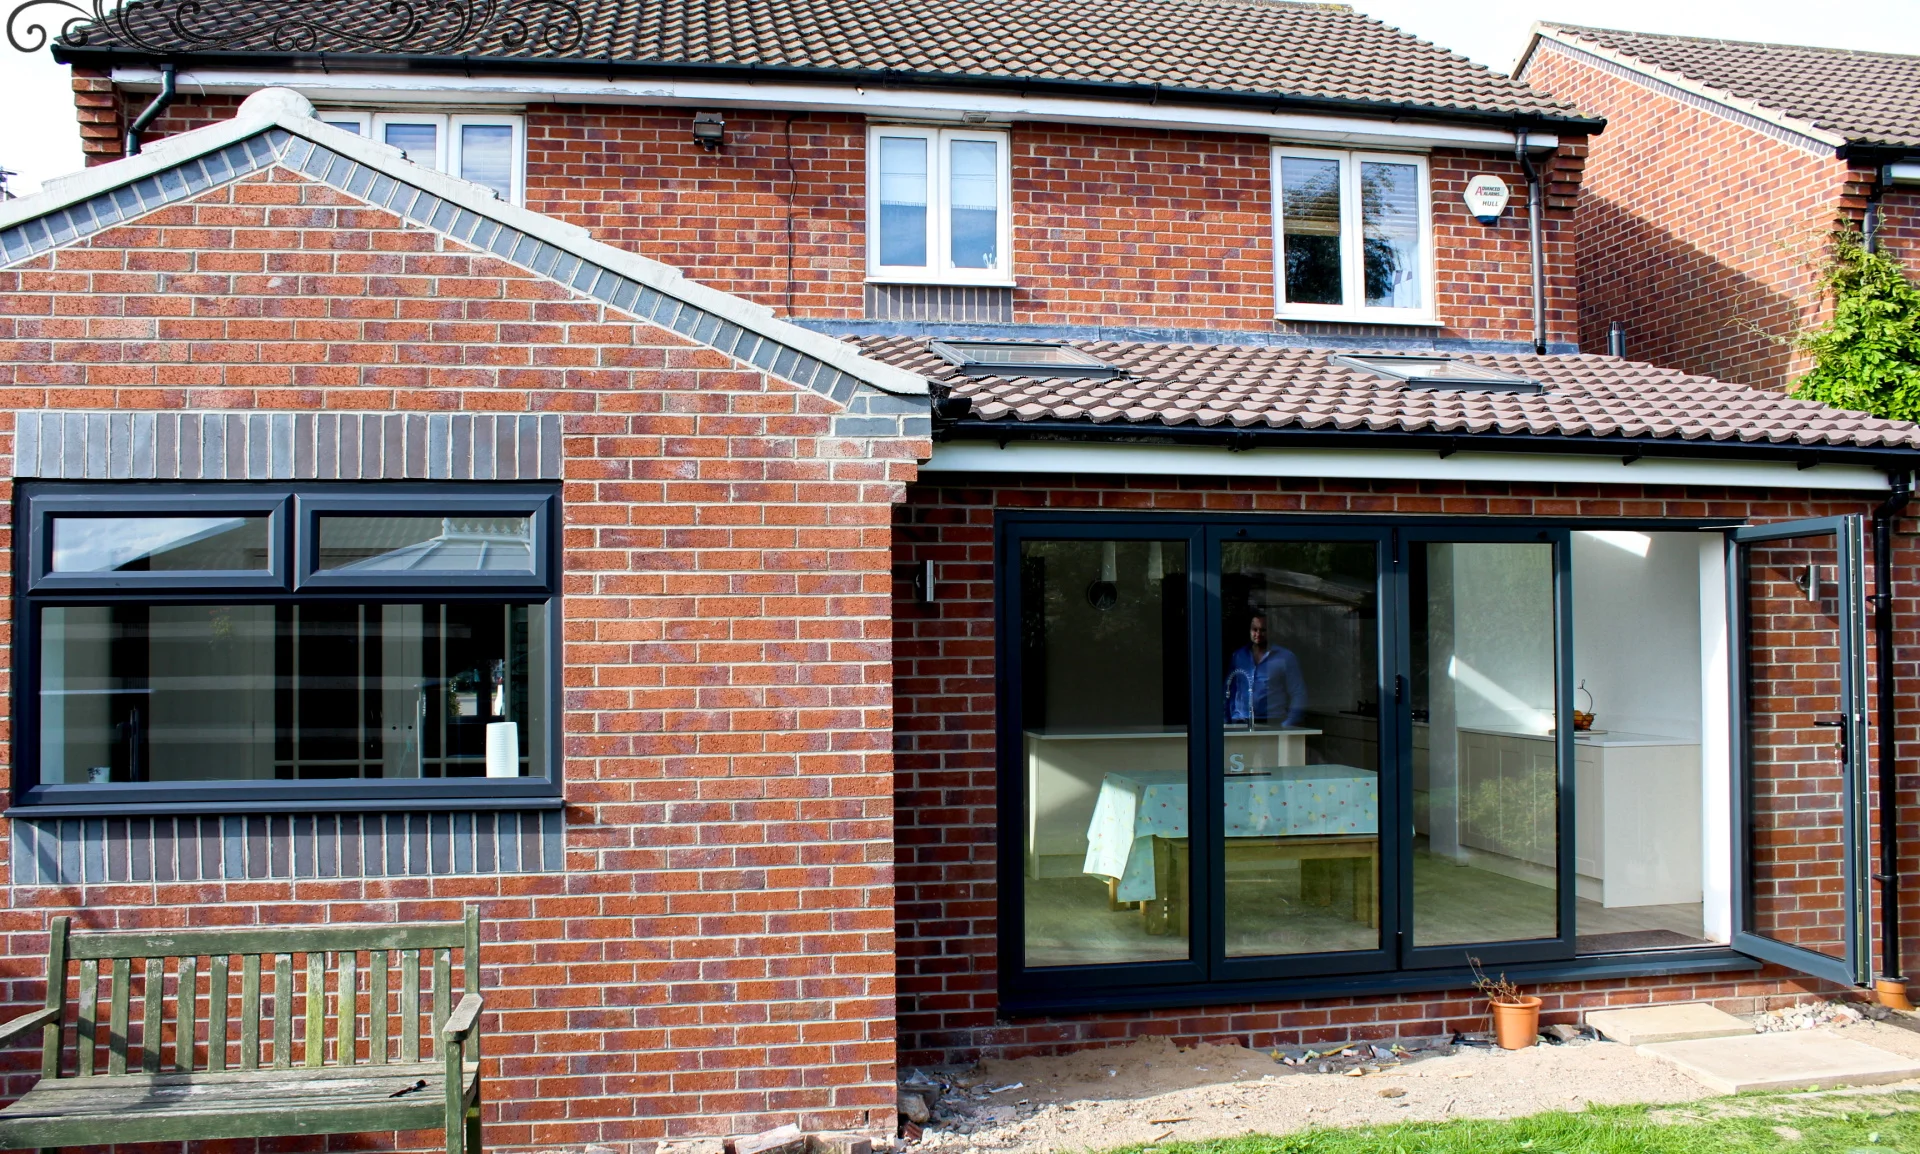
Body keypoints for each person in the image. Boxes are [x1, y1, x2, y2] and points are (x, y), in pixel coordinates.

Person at [1225, 612, 1307, 727]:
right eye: (1255, 629)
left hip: (1273, 721)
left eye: (1263, 630)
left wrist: (1289, 723)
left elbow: (1298, 692)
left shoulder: (1285, 657)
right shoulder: (1238, 656)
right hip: (1241, 721)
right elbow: (1229, 690)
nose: (1258, 633)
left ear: (1271, 632)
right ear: (1249, 630)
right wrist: (1226, 719)